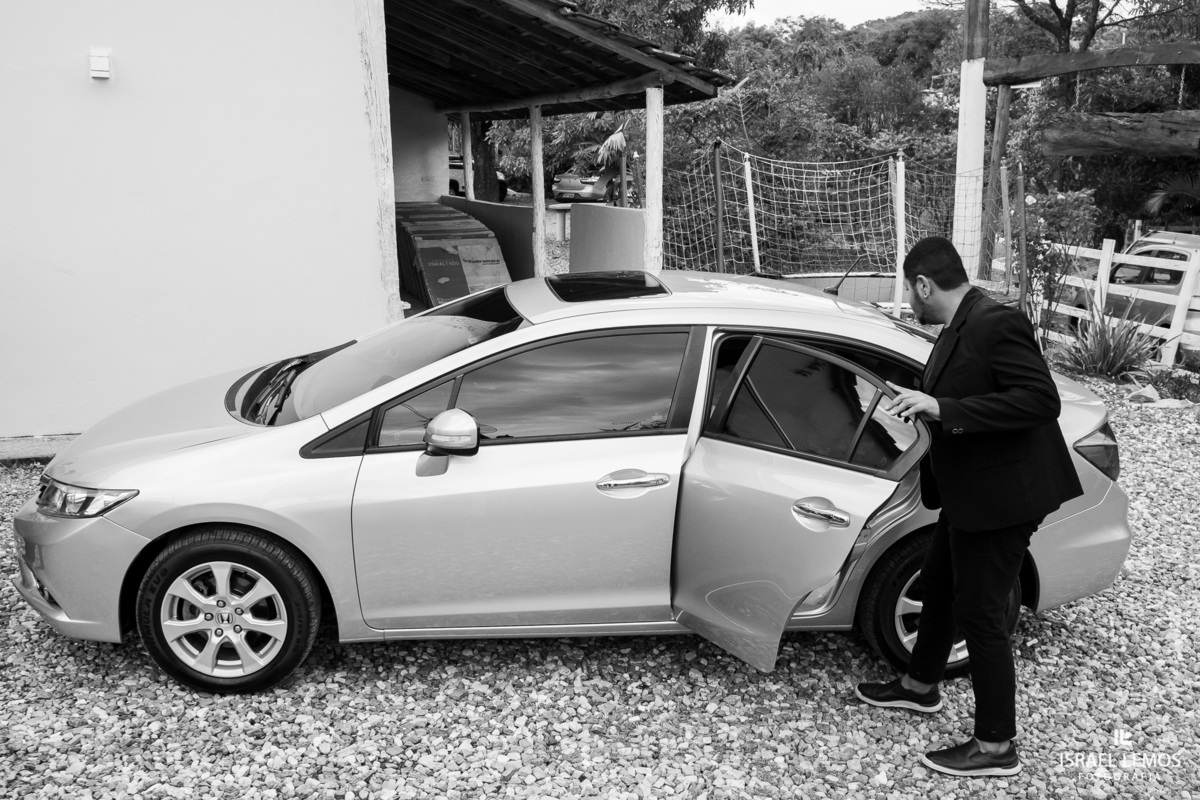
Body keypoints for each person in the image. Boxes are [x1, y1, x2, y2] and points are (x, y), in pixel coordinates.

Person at [854, 236, 1083, 777]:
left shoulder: (994, 322)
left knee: (981, 612)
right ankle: (920, 685)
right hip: (970, 492)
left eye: (910, 290)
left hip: (1004, 498)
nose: (910, 301)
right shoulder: (959, 325)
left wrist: (943, 406)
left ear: (924, 284)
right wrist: (918, 396)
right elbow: (963, 386)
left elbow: (1039, 399)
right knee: (938, 585)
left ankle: (996, 746)